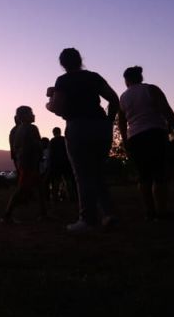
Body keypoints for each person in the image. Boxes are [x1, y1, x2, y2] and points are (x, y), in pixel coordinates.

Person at [47, 48, 120, 232]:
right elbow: (113, 99)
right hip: (100, 126)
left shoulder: (62, 81)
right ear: (80, 60)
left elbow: (58, 108)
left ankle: (87, 219)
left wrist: (49, 100)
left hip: (78, 127)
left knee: (83, 175)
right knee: (98, 173)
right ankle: (109, 214)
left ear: (62, 64)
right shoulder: (93, 77)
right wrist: (109, 122)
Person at [117, 66, 174, 220]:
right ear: (140, 77)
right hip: (155, 132)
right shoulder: (151, 89)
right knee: (159, 173)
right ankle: (162, 211)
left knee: (144, 175)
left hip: (136, 137)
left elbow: (122, 122)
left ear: (126, 80)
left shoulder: (123, 97)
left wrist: (126, 141)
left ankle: (149, 211)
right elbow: (166, 109)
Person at [1, 106, 47, 223]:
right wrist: (40, 152)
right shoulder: (31, 128)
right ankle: (7, 215)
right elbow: (36, 145)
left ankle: (44, 213)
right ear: (23, 116)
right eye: (30, 113)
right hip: (29, 164)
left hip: (24, 162)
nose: (33, 115)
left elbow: (16, 148)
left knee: (39, 188)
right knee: (21, 189)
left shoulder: (18, 130)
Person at [46, 127, 75, 202]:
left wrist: (50, 165)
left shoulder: (52, 141)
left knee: (56, 182)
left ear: (53, 133)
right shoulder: (65, 139)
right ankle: (71, 197)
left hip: (56, 164)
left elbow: (51, 154)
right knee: (68, 181)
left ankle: (55, 198)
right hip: (66, 163)